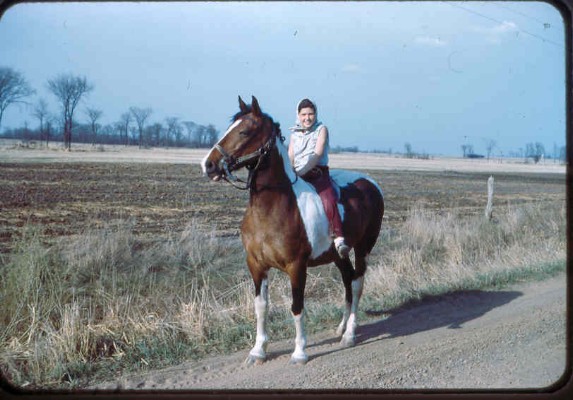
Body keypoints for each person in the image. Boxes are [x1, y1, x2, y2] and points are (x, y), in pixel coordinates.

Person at [288, 98, 350, 258]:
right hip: (296, 173)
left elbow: (318, 154)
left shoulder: (322, 129)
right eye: (303, 115)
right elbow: (291, 154)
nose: (307, 118)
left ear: (315, 114)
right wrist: (290, 171)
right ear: (298, 115)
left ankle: (339, 238)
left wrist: (301, 172)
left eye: (310, 114)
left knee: (328, 198)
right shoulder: (294, 132)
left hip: (317, 173)